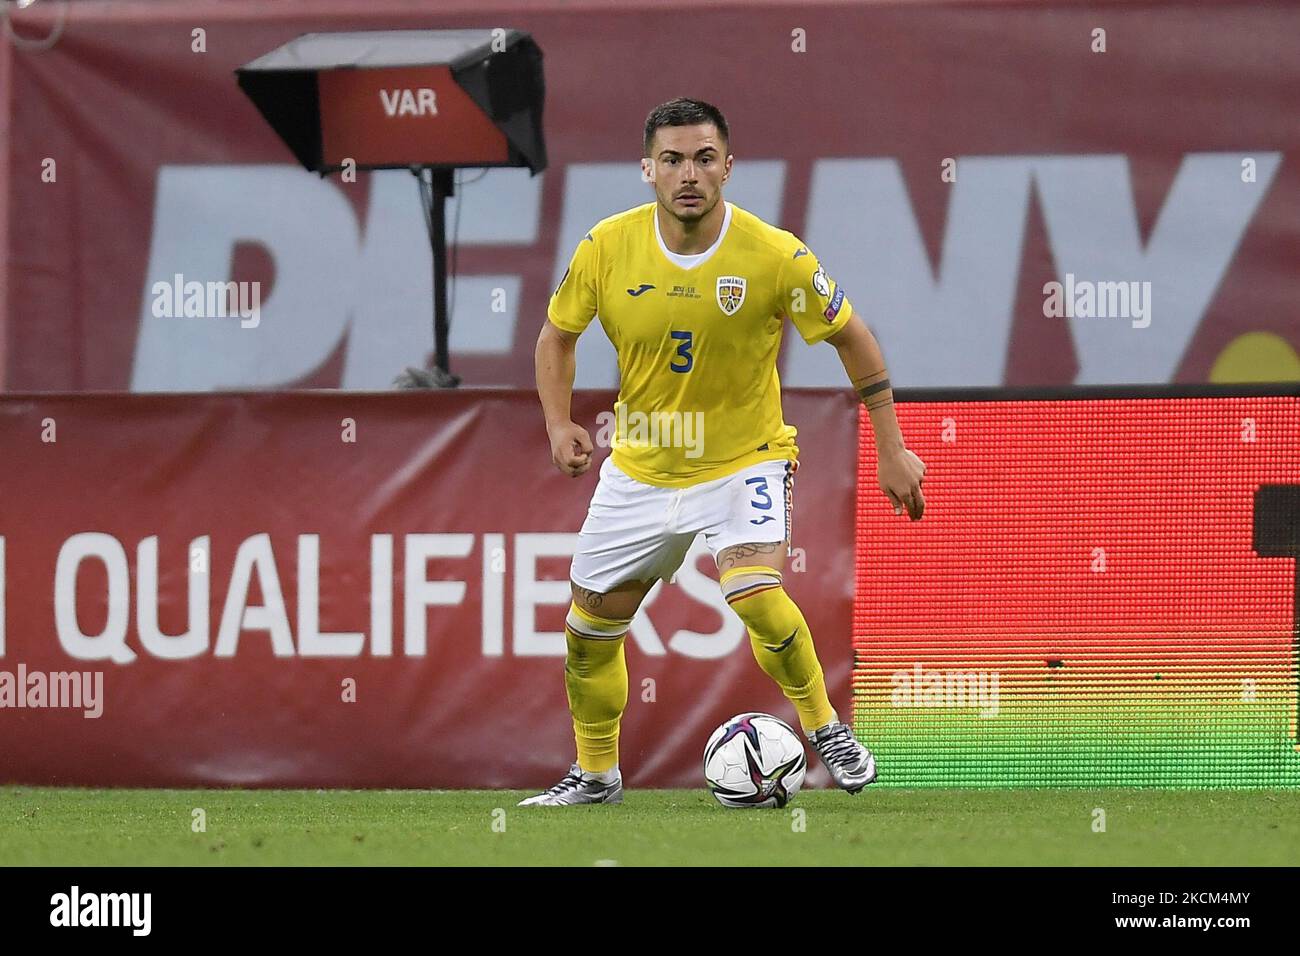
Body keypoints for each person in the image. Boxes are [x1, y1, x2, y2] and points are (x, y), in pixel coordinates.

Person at [523, 97, 926, 806]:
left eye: (704, 158)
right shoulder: (606, 248)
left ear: (728, 167)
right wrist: (559, 424)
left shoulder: (774, 255)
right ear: (647, 169)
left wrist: (892, 448)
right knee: (588, 636)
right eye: (673, 159)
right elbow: (556, 337)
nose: (689, 174)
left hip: (746, 461)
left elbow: (852, 335)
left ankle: (825, 728)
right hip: (641, 468)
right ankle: (595, 776)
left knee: (753, 592)